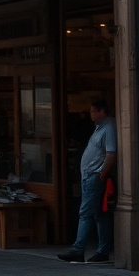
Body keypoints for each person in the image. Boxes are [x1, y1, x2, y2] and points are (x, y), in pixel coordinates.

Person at [59, 99, 117, 264]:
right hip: (89, 176)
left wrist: (102, 173)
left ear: (102, 111)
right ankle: (103, 250)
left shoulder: (109, 128)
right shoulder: (99, 128)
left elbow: (111, 153)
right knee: (99, 214)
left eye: (93, 111)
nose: (91, 114)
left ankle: (78, 249)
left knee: (85, 213)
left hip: (95, 176)